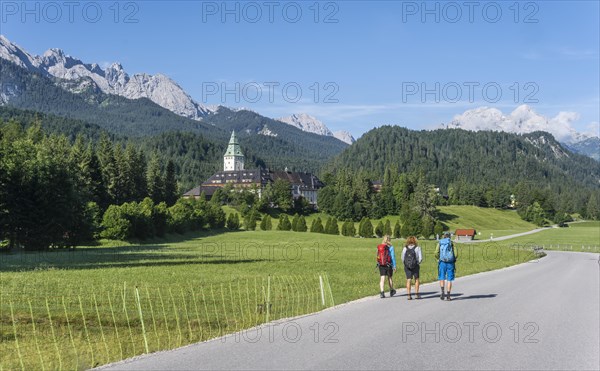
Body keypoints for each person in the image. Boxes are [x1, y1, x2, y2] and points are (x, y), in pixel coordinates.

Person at [436, 232, 458, 301]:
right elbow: (456, 254)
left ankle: (442, 292)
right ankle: (448, 295)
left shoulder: (440, 242)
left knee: (441, 277)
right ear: (449, 237)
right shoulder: (451, 243)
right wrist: (453, 259)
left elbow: (436, 252)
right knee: (449, 279)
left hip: (442, 262)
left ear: (444, 236)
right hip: (450, 263)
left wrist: (438, 258)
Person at [401, 236, 423, 300]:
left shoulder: (405, 248)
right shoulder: (418, 248)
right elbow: (420, 258)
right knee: (416, 279)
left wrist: (405, 264)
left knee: (408, 279)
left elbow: (402, 258)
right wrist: (418, 263)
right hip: (415, 265)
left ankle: (408, 295)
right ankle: (416, 294)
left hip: (407, 266)